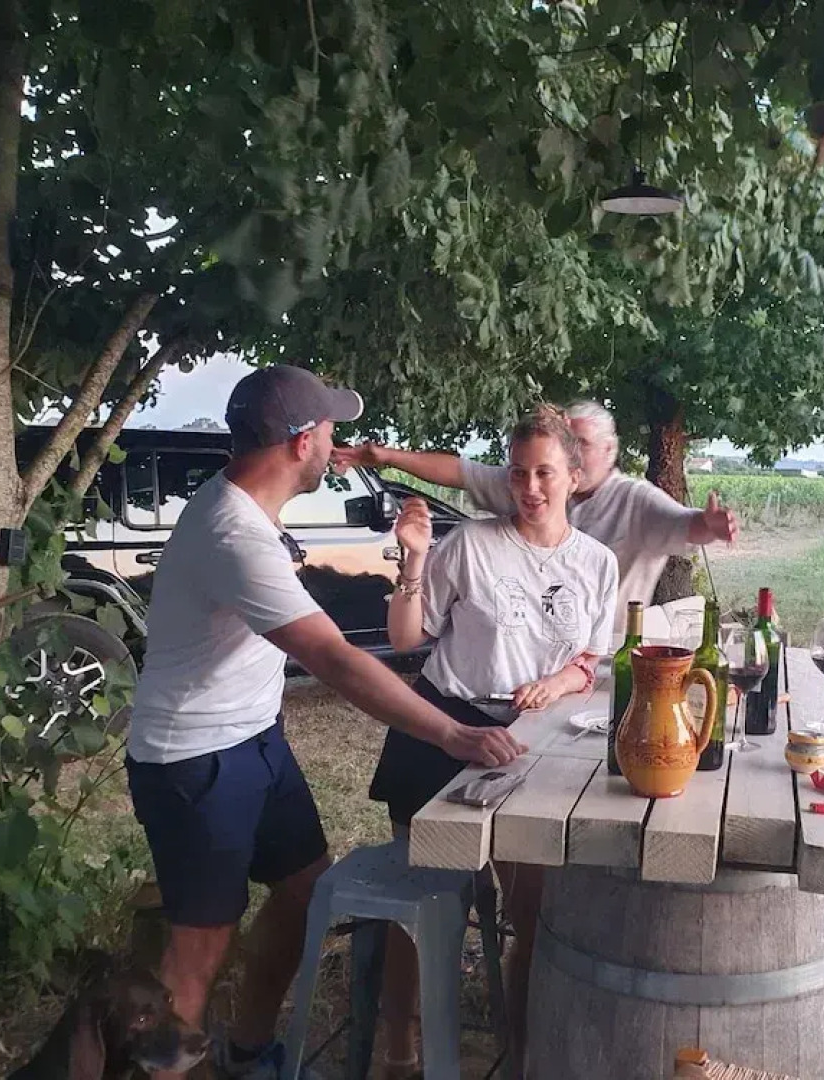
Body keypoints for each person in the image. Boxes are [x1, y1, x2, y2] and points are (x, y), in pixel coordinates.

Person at [123, 366, 525, 1080]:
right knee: (200, 947)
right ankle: (164, 1067)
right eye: (330, 429)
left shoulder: (248, 510)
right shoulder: (232, 532)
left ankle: (248, 1052)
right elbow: (334, 661)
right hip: (192, 758)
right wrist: (450, 733)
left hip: (254, 742)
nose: (337, 441)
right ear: (302, 440)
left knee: (306, 888)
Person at [368, 404, 618, 1078]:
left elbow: (593, 657)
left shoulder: (596, 562)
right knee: (420, 906)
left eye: (545, 473)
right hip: (440, 727)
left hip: (530, 742)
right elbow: (403, 639)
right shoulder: (470, 545)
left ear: (576, 476)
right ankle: (400, 1049)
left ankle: (522, 1050)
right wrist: (413, 561)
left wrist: (566, 677)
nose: (530, 488)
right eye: (518, 474)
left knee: (532, 910)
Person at [331, 400, 739, 622]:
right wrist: (386, 456)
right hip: (532, 662)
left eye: (579, 444)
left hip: (600, 664)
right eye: (566, 442)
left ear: (610, 452)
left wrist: (709, 525)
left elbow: (682, 525)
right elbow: (460, 471)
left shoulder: (635, 499)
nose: (532, 487)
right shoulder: (529, 486)